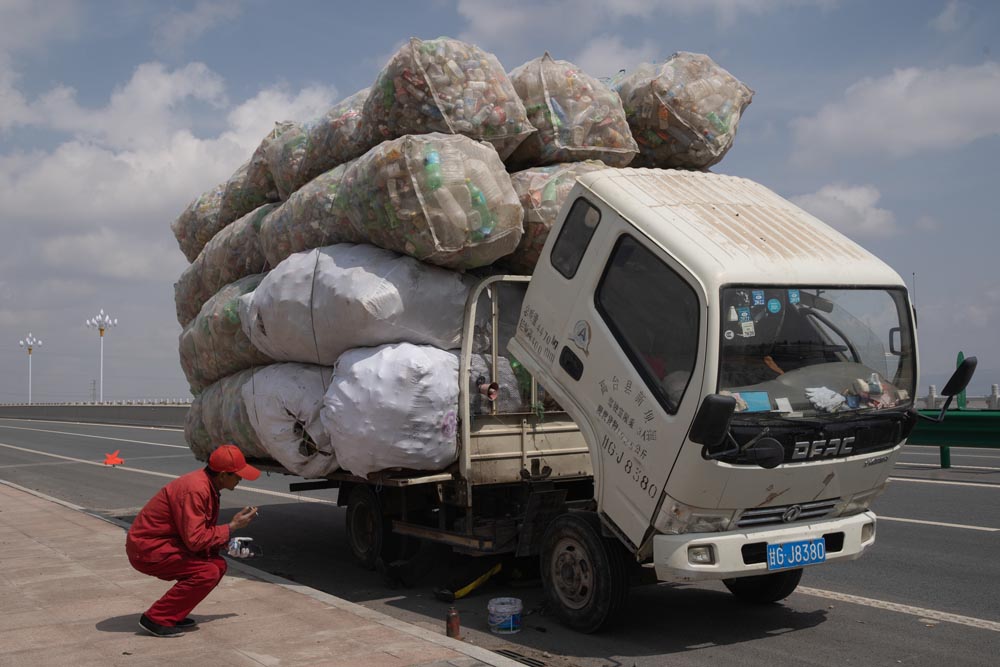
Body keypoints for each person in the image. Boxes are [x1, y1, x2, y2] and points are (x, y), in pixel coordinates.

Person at [126, 444, 261, 637]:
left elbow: (197, 533)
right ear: (223, 475)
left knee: (217, 565)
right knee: (207, 572)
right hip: (149, 549)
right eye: (237, 475)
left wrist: (228, 543)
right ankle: (157, 619)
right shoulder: (196, 489)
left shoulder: (206, 485)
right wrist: (232, 527)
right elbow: (196, 540)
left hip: (165, 545)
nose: (240, 479)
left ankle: (173, 613)